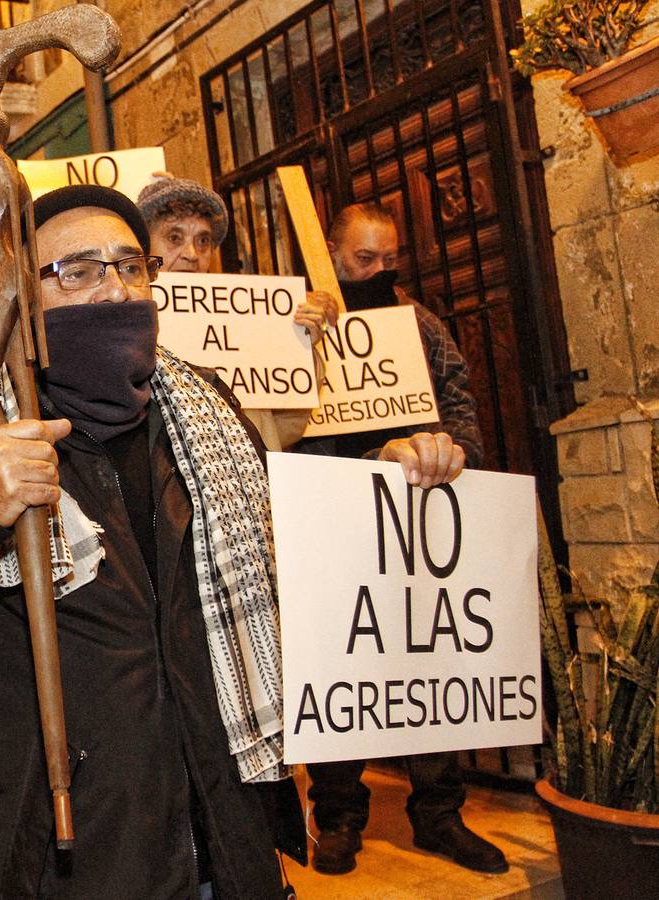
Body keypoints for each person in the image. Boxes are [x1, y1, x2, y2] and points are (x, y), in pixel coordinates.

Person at [0, 186, 338, 898]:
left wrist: (398, 471)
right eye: (78, 271)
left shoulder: (208, 417)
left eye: (130, 265)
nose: (115, 289)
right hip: (68, 860)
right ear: (19, 302)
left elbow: (294, 566)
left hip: (228, 842)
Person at [299, 202, 503, 876]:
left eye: (389, 259)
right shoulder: (296, 324)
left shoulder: (420, 326)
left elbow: (461, 407)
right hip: (334, 523)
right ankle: (336, 815)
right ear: (330, 252)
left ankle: (439, 814)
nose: (379, 271)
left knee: (428, 661)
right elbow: (279, 432)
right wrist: (367, 461)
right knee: (340, 665)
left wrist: (452, 451)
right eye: (364, 260)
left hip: (418, 523)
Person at [136, 173, 337, 450]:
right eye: (174, 237)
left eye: (203, 241)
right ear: (143, 248)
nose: (192, 254)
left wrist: (301, 348)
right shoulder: (127, 329)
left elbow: (286, 429)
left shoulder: (244, 325)